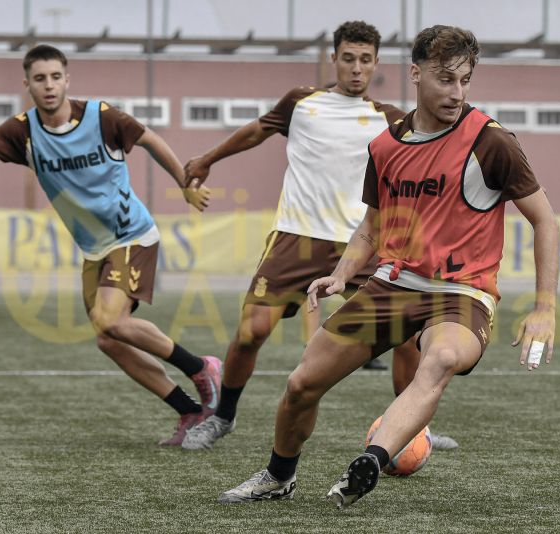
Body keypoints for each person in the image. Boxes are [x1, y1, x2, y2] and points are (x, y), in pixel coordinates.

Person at [217, 24, 559, 507]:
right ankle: (279, 477)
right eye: (445, 79)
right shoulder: (385, 146)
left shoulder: (493, 142)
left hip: (462, 293)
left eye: (464, 80)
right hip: (392, 285)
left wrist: (544, 306)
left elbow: (545, 220)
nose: (456, 92)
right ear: (415, 74)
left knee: (438, 359)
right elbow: (370, 229)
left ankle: (371, 461)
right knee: (300, 384)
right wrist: (340, 274)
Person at [181, 20, 456, 452]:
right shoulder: (301, 102)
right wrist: (208, 159)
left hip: (361, 245)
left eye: (365, 60)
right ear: (335, 58)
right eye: (348, 58)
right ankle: (223, 418)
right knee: (252, 331)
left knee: (404, 336)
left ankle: (413, 428)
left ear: (375, 64)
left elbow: (425, 165)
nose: (356, 68)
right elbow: (257, 130)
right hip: (297, 236)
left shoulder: (389, 119)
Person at [0, 44, 222, 447]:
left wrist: (185, 185)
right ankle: (190, 411)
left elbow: (149, 139)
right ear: (28, 85)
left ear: (67, 79)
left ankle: (201, 367)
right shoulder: (22, 131)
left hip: (132, 235)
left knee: (109, 321)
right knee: (108, 340)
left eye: (56, 76)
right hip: (95, 250)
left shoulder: (101, 117)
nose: (49, 85)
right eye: (40, 79)